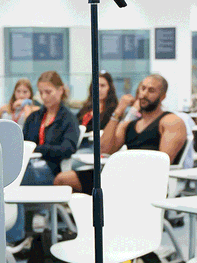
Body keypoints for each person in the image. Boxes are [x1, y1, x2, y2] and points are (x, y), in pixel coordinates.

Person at [54, 74, 187, 193]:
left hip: (145, 180)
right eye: (143, 88)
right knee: (62, 179)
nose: (144, 94)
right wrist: (118, 112)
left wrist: (125, 167)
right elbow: (104, 149)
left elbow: (161, 164)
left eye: (151, 90)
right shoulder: (129, 124)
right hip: (122, 175)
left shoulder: (170, 121)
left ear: (162, 96)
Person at [7, 71, 79, 244]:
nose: (44, 97)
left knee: (16, 176)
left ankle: (14, 235)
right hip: (30, 166)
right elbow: (22, 144)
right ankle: (14, 231)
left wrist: (40, 149)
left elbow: (68, 148)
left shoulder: (68, 119)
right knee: (13, 173)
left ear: (60, 90)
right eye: (41, 92)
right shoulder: (34, 117)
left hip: (50, 169)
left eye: (49, 92)